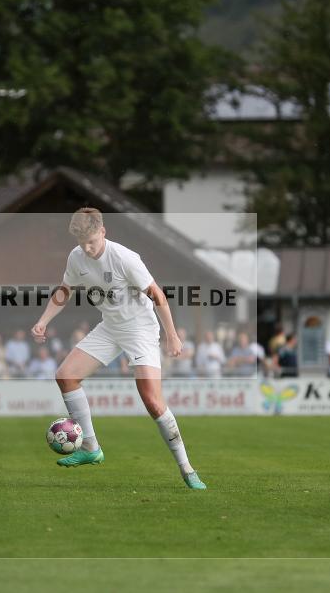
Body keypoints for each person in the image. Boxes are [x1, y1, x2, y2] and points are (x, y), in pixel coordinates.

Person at [31, 208, 206, 489]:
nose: (87, 249)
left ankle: (187, 468)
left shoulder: (125, 258)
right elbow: (65, 290)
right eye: (81, 243)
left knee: (151, 400)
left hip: (140, 330)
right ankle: (90, 447)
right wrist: (43, 321)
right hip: (110, 327)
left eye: (91, 242)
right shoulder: (76, 257)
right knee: (66, 376)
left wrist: (172, 335)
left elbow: (158, 295)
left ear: (103, 232)